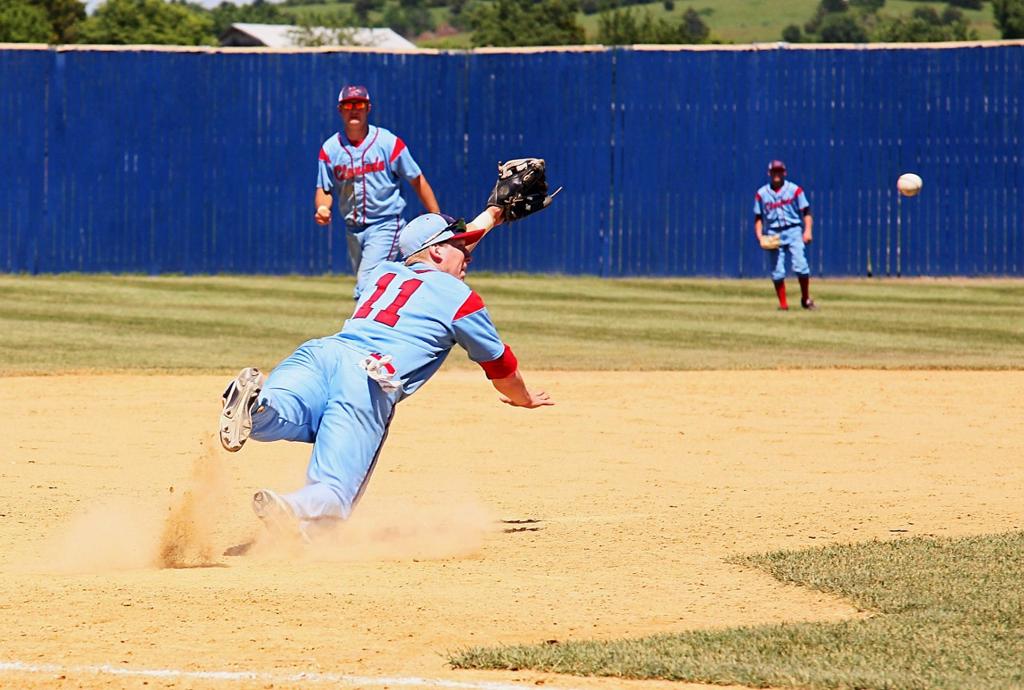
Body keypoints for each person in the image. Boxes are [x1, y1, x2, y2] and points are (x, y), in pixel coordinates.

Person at [218, 206, 553, 542]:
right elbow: (501, 368)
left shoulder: (382, 274)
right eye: (461, 246)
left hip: (320, 354)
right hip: (367, 381)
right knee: (334, 493)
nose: (469, 254)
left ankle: (256, 405)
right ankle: (291, 507)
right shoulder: (459, 298)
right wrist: (523, 398)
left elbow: (436, 255)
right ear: (437, 250)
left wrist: (494, 214)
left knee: (277, 416)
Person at [315, 85, 441, 300]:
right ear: (340, 110)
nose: (354, 110)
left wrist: (437, 220)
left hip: (386, 224)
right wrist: (322, 207)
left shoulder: (387, 142)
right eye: (348, 105)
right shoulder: (330, 149)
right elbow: (324, 188)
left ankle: (358, 331)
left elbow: (416, 179)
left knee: (366, 285)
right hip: (353, 229)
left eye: (359, 105)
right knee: (379, 287)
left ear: (368, 108)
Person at [753, 160, 816, 311]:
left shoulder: (795, 190)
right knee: (777, 271)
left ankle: (805, 299)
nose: (777, 174)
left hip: (794, 230)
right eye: (774, 171)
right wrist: (760, 236)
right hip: (774, 233)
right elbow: (758, 217)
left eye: (779, 171)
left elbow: (806, 211)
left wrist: (807, 230)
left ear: (784, 172)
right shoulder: (761, 194)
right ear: (769, 173)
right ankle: (783, 305)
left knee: (801, 266)